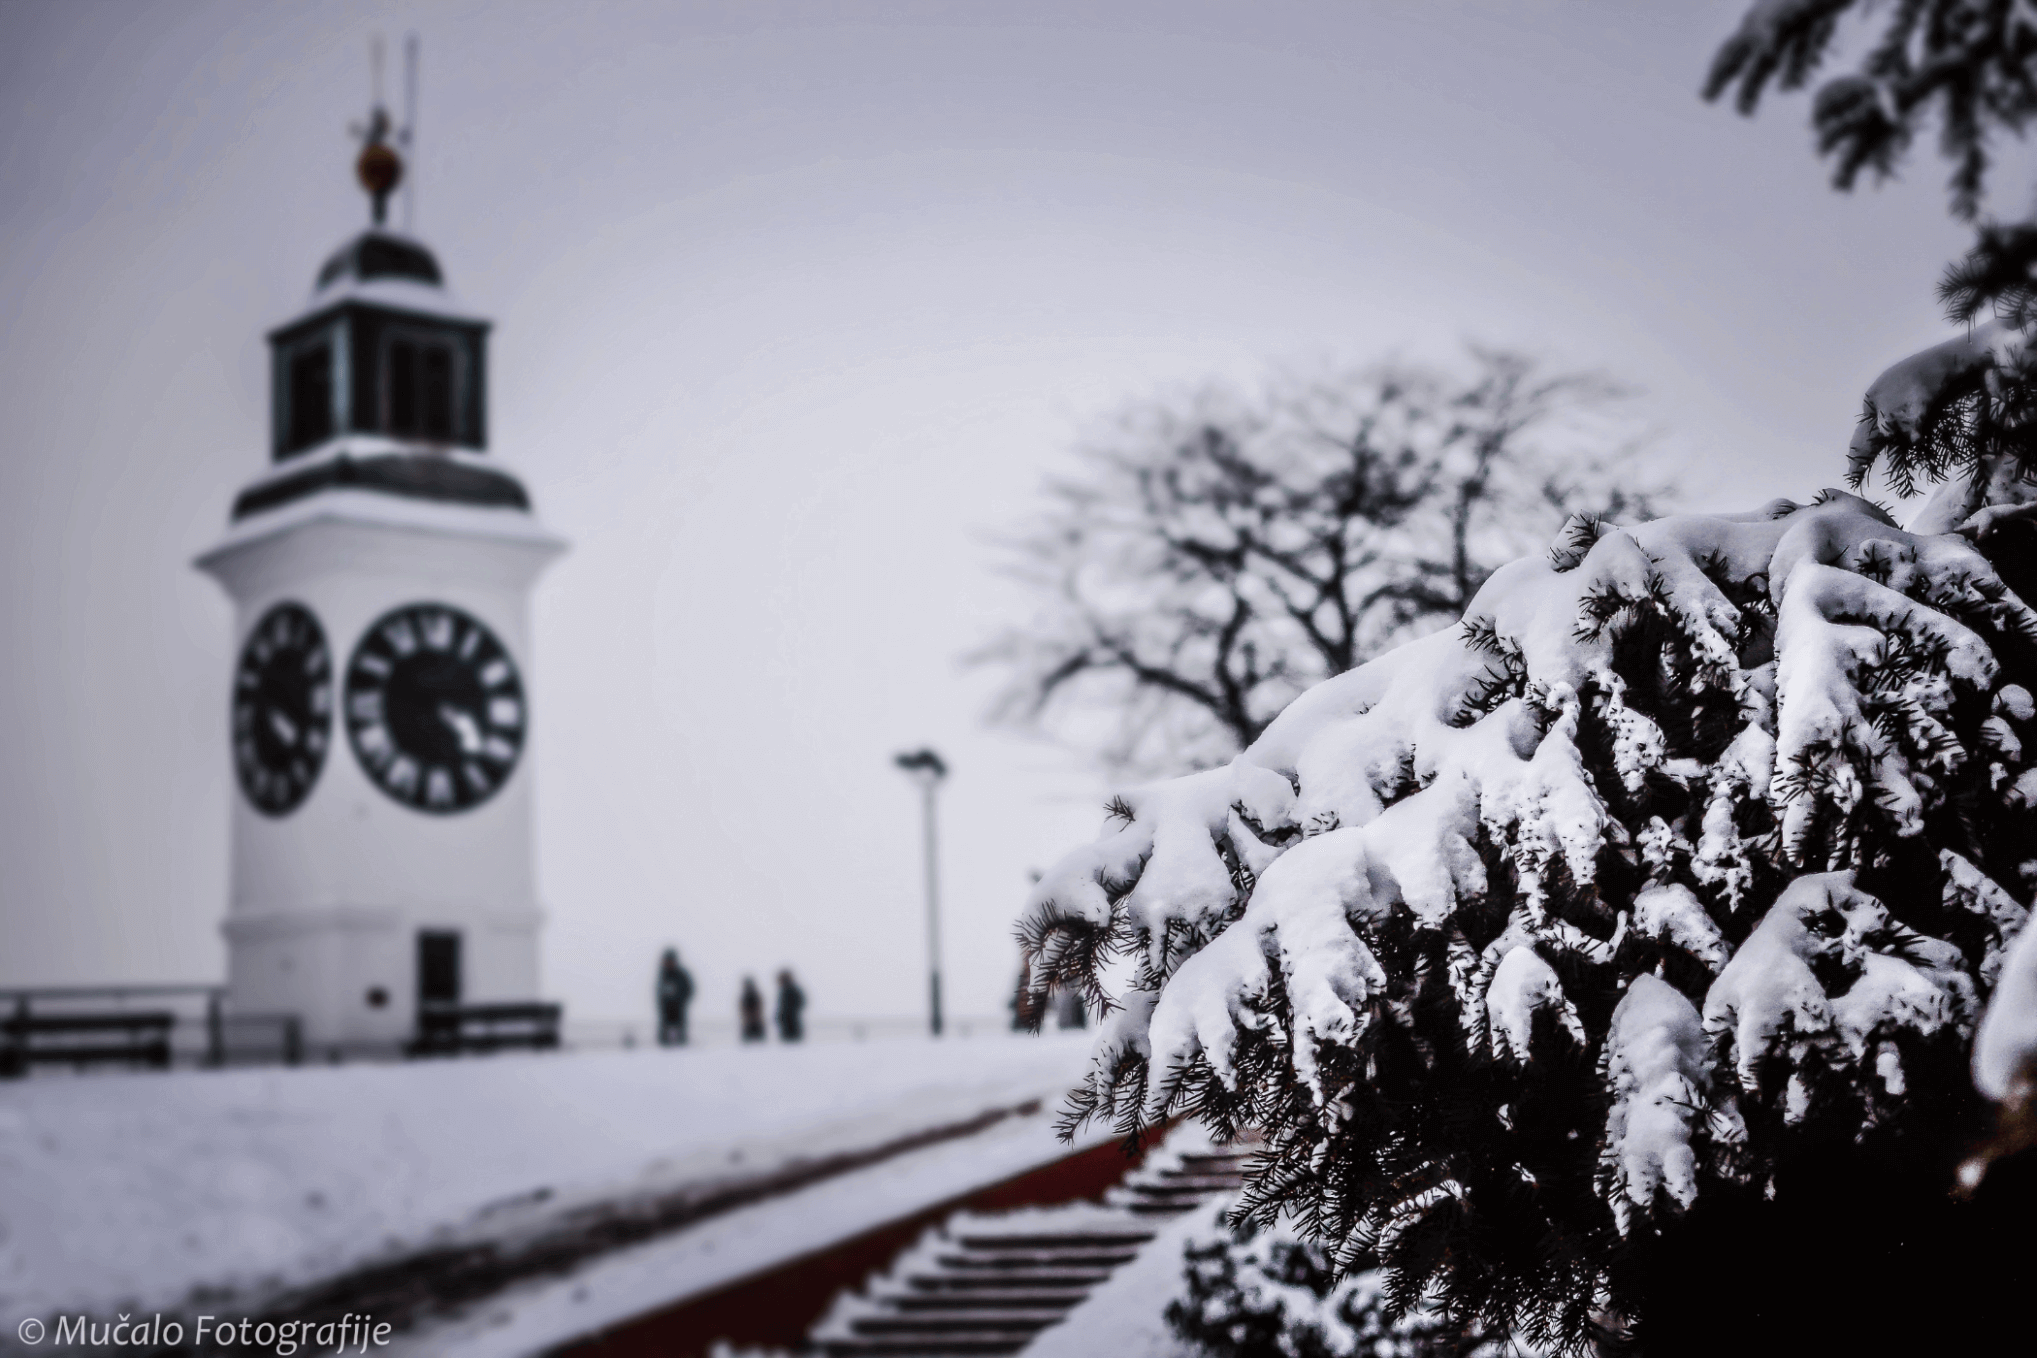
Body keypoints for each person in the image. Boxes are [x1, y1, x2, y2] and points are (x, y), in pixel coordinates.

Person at [655, 948, 694, 1047]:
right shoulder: (663, 974)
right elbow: (659, 992)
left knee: (680, 1037)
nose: (667, 963)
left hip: (678, 1010)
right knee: (664, 1038)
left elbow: (689, 989)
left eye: (669, 961)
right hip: (665, 1011)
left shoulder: (681, 975)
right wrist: (661, 1004)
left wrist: (680, 1001)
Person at [774, 968, 806, 1043]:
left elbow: (799, 1003)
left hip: (791, 1023)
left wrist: (788, 1013)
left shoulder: (790, 990)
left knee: (792, 1044)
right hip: (788, 1023)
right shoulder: (785, 990)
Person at [738, 976, 767, 1043]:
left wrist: (750, 1016)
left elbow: (758, 1007)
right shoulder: (752, 994)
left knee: (751, 1044)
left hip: (752, 1022)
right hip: (753, 1021)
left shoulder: (749, 995)